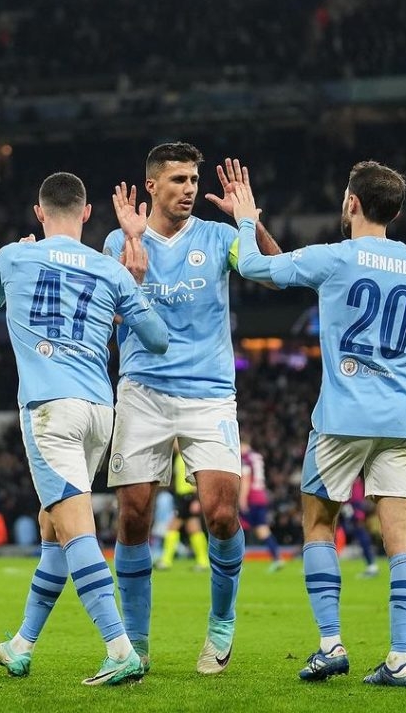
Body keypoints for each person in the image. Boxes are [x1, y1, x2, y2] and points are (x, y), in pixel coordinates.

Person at [230, 161, 406, 688]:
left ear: (351, 203)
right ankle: (401, 658)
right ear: (395, 212)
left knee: (318, 526)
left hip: (340, 417)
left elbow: (253, 266)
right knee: (402, 539)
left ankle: (331, 644)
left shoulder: (334, 258)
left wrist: (245, 219)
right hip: (403, 417)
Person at [0, 171, 169, 685]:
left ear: (39, 213)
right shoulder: (111, 271)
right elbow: (156, 338)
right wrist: (133, 284)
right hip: (98, 413)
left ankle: (119, 648)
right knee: (53, 528)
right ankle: (22, 644)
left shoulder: (14, 255)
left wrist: (16, 252)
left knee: (74, 528)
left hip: (49, 411)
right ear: (87, 214)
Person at [105, 144, 281, 675]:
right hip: (143, 390)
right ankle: (135, 645)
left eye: (193, 178)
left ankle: (221, 628)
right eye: (178, 179)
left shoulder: (218, 236)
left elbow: (273, 273)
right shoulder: (121, 239)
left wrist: (249, 222)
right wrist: (132, 268)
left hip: (208, 392)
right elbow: (114, 319)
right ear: (151, 185)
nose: (188, 188)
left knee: (222, 514)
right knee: (133, 518)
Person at [157, 445, 210, 571]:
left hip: (188, 497)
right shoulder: (179, 457)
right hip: (182, 497)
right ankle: (203, 562)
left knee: (173, 526)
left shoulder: (188, 456)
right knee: (194, 529)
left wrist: (196, 499)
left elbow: (197, 478)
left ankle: (166, 561)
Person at [239, 435, 284, 571]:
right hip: (261, 495)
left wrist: (242, 499)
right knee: (261, 528)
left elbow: (246, 480)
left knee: (239, 528)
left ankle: (237, 563)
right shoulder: (257, 457)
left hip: (251, 497)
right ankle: (277, 558)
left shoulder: (245, 459)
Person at [340, 477, 380, 577]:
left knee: (362, 538)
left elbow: (357, 499)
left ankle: (372, 565)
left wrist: (357, 514)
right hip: (350, 511)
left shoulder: (355, 480)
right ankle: (371, 565)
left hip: (353, 513)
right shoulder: (354, 479)